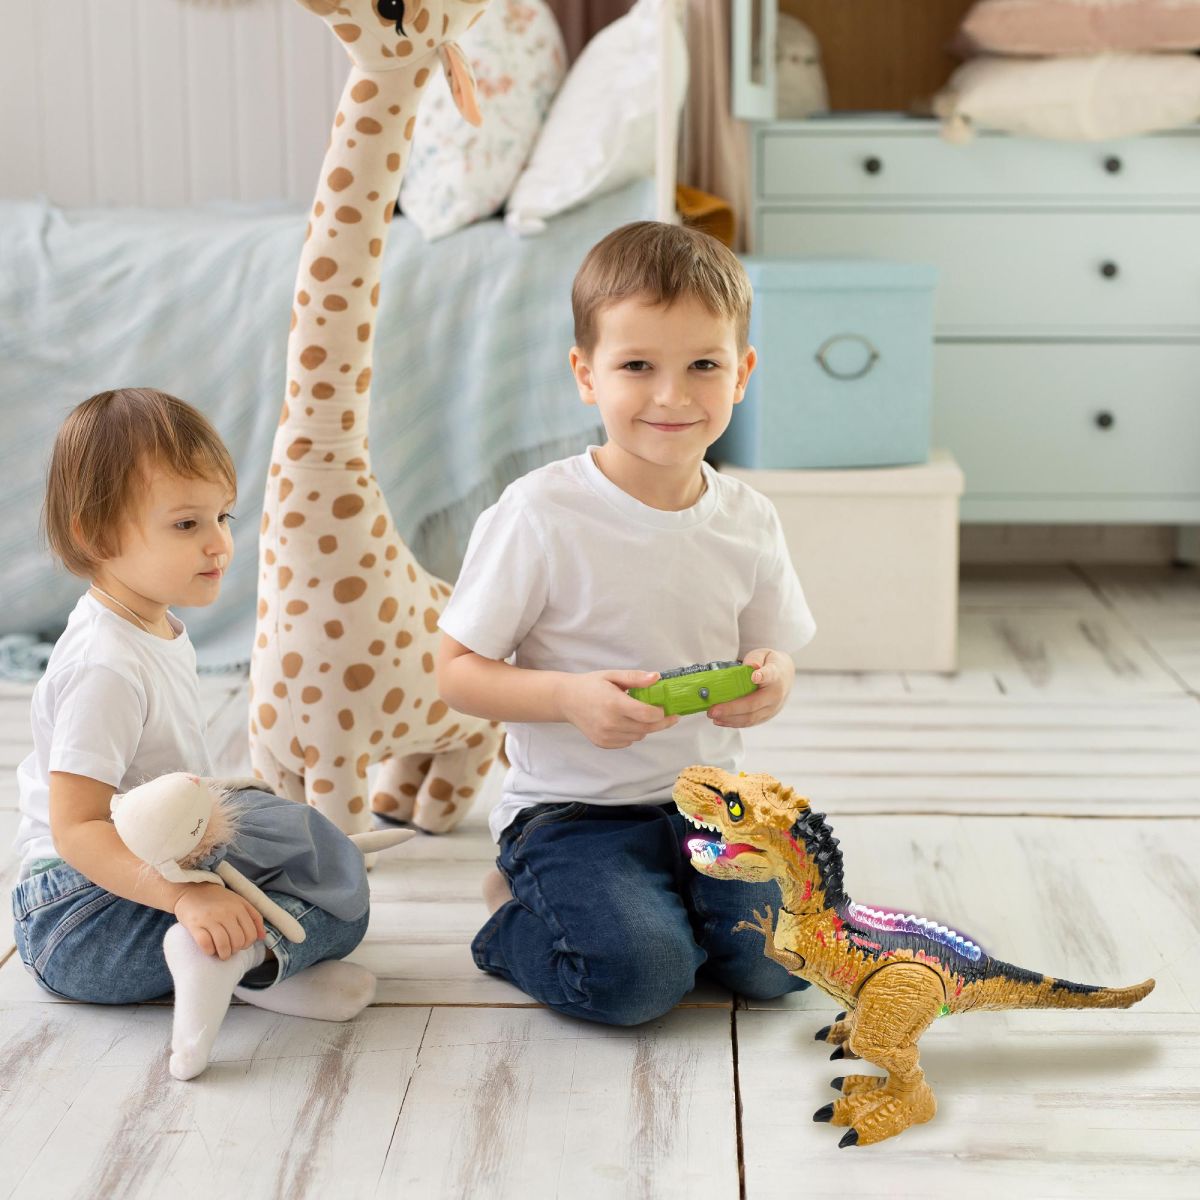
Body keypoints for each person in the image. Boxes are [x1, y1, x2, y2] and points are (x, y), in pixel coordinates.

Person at [437, 222, 817, 1026]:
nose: (672, 396)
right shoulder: (541, 513)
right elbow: (457, 672)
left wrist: (773, 680)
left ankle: (673, 910)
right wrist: (568, 698)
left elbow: (770, 648)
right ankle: (512, 918)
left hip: (709, 804)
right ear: (586, 374)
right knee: (640, 981)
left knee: (784, 964)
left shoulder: (747, 516)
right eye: (637, 366)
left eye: (703, 365)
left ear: (742, 373)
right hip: (572, 813)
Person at [12, 388, 376, 1079]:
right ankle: (243, 956)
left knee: (337, 878)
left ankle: (245, 965)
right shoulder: (103, 666)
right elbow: (77, 829)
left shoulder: (153, 624)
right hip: (75, 916)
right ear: (96, 535)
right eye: (186, 524)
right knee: (334, 906)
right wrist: (186, 897)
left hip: (153, 866)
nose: (219, 542)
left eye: (221, 516)